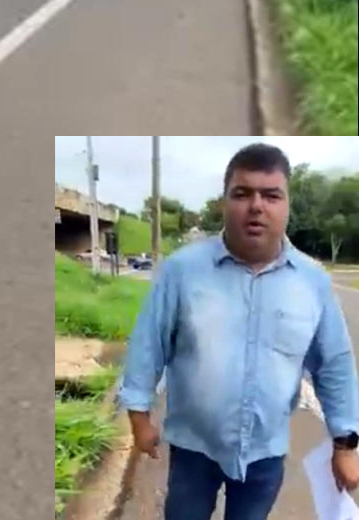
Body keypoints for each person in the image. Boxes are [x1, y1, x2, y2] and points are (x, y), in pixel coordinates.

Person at [120, 142, 359, 520]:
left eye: (271, 195)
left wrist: (345, 446)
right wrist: (139, 417)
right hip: (192, 449)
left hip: (265, 456)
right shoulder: (183, 271)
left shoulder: (312, 282)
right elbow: (149, 344)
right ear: (224, 201)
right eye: (242, 193)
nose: (257, 206)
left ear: (287, 205)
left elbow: (335, 365)